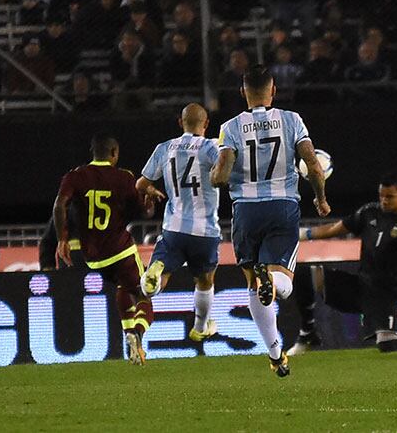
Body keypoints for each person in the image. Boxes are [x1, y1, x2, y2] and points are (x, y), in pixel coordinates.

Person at [210, 64, 330, 378]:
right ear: (273, 90)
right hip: (282, 206)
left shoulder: (231, 127)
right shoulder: (292, 120)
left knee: (253, 286)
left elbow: (221, 173)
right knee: (284, 283)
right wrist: (320, 198)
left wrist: (214, 176)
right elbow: (314, 167)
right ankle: (272, 280)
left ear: (242, 93)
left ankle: (276, 354)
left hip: (246, 211)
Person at [292, 173, 397, 355]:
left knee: (389, 346)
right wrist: (302, 234)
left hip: (389, 296)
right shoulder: (369, 212)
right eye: (381, 196)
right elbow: (334, 228)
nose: (384, 201)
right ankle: (307, 334)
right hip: (359, 287)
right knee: (304, 275)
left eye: (390, 197)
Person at [52, 134, 160, 365]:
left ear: (93, 152)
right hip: (120, 250)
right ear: (114, 153)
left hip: (93, 257)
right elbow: (139, 211)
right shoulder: (123, 178)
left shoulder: (75, 176)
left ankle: (131, 345)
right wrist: (148, 203)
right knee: (144, 296)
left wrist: (62, 238)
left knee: (123, 286)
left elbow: (60, 203)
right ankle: (137, 334)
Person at [136, 103, 220, 343]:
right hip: (205, 230)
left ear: (179, 122)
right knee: (205, 281)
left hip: (173, 227)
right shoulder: (210, 147)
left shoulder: (164, 148)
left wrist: (152, 189)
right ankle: (200, 326)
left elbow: (140, 184)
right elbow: (226, 168)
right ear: (206, 124)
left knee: (161, 276)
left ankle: (151, 282)